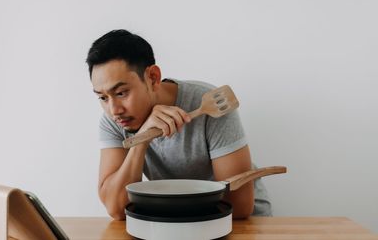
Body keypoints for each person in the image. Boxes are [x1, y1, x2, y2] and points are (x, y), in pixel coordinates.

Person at [85, 29, 271, 220]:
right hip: (176, 220)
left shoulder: (209, 105)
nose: (114, 109)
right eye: (102, 97)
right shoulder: (114, 121)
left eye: (121, 93)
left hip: (242, 224)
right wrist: (141, 141)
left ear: (153, 78)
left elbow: (239, 206)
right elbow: (116, 208)